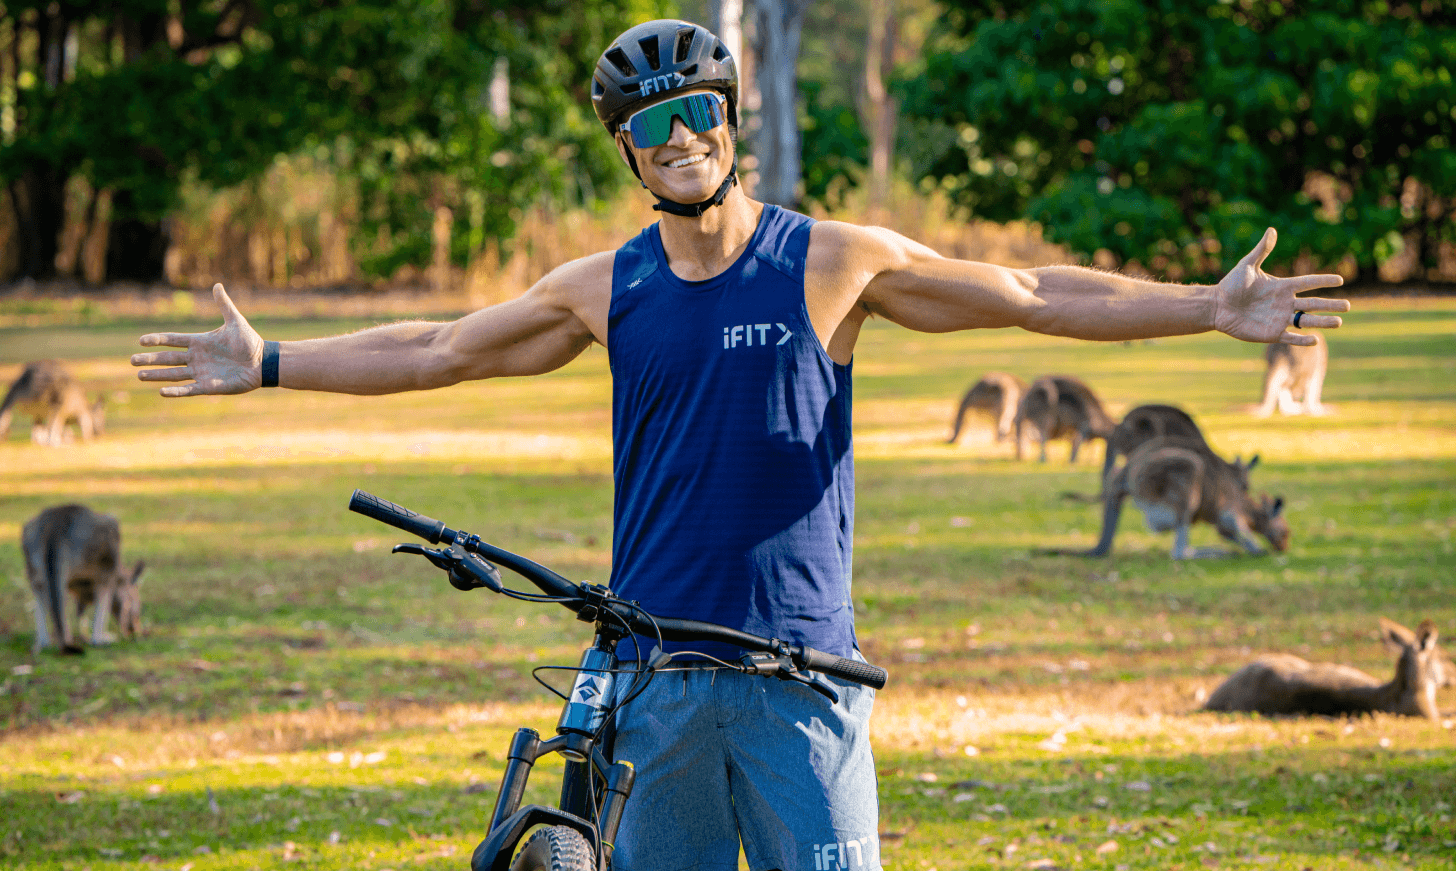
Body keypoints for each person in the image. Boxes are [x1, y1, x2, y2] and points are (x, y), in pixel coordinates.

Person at [132, 19, 1349, 871]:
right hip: (655, 685)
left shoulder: (834, 261)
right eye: (649, 122)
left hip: (803, 686)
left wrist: (1204, 304)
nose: (678, 136)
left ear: (729, 117)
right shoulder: (602, 288)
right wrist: (271, 361)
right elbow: (440, 345)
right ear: (626, 147)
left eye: (696, 110)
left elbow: (1031, 291)